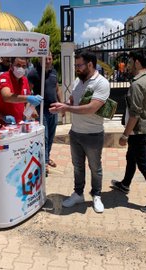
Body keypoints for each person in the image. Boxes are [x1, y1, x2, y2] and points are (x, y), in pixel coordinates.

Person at [49, 51, 110, 213]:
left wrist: (67, 108)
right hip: (75, 133)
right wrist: (63, 106)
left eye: (79, 65)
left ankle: (96, 195)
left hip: (93, 134)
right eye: (75, 65)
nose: (76, 68)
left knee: (95, 167)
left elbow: (92, 107)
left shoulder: (101, 83)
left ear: (90, 64)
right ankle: (78, 194)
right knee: (78, 167)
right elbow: (72, 100)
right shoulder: (78, 81)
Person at [110, 49, 146, 214]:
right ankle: (125, 184)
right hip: (144, 127)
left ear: (136, 62)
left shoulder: (137, 84)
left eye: (129, 62)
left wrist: (124, 135)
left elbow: (135, 114)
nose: (127, 65)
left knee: (143, 164)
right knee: (131, 157)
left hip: (138, 130)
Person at [27, 52, 62, 174]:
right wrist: (30, 110)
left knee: (51, 136)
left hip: (54, 109)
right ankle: (44, 163)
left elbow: (57, 88)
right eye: (45, 58)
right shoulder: (33, 73)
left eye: (49, 58)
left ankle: (46, 157)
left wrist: (61, 104)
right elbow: (27, 91)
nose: (47, 61)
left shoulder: (54, 72)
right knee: (44, 137)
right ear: (39, 58)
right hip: (41, 110)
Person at [0, 57, 42, 125]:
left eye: (24, 66)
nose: (21, 68)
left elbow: (27, 102)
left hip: (19, 123)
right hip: (3, 125)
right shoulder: (4, 77)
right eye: (18, 65)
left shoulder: (24, 80)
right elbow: (7, 97)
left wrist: (31, 110)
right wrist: (28, 98)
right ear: (11, 66)